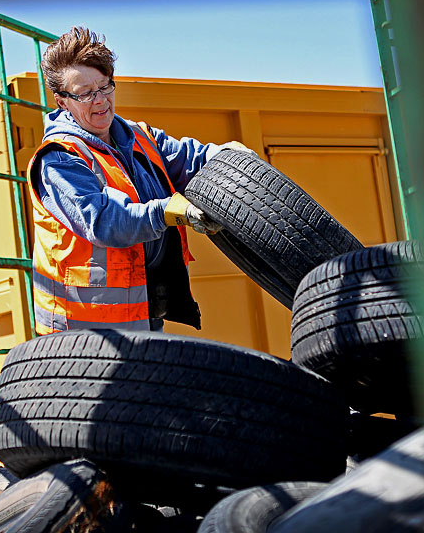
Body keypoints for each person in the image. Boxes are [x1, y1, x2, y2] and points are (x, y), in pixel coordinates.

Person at [27, 26, 254, 335]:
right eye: (84, 94)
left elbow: (188, 157)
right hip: (83, 333)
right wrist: (167, 212)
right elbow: (104, 220)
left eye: (105, 87)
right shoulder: (59, 159)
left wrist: (227, 156)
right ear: (62, 101)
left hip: (142, 315)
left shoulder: (140, 136)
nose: (100, 101)